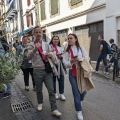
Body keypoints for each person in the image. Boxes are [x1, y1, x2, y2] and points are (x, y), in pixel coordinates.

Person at [27, 26, 61, 117]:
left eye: (40, 32)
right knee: (39, 90)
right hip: (37, 71)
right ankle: (40, 103)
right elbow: (28, 57)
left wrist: (51, 54)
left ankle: (54, 109)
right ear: (34, 34)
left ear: (42, 33)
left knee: (51, 90)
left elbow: (54, 58)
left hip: (47, 70)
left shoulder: (46, 44)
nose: (38, 34)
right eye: (36, 32)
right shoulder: (31, 44)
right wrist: (35, 49)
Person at [63, 33, 91, 120]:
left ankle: (80, 100)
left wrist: (80, 59)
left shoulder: (81, 49)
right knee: (76, 93)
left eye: (71, 38)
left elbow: (87, 58)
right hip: (72, 72)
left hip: (81, 72)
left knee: (83, 91)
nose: (69, 40)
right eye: (68, 38)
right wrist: (71, 61)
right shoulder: (66, 51)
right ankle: (79, 111)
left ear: (75, 39)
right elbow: (65, 63)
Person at [49, 35, 66, 100]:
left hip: (59, 64)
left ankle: (61, 93)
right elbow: (46, 54)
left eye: (57, 39)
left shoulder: (60, 48)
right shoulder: (49, 46)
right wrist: (51, 51)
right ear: (52, 40)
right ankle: (55, 93)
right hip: (52, 65)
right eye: (54, 39)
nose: (56, 40)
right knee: (53, 79)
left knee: (61, 79)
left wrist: (61, 55)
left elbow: (63, 55)